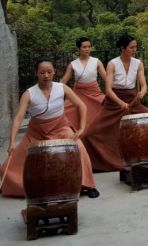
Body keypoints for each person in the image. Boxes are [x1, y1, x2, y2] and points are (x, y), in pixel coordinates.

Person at [1, 60, 99, 198]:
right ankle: (13, 185)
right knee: (10, 166)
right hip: (36, 132)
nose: (46, 75)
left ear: (54, 72)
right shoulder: (29, 94)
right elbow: (18, 118)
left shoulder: (62, 88)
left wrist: (81, 128)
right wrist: (12, 142)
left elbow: (81, 105)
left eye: (49, 72)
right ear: (36, 73)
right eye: (42, 72)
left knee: (79, 148)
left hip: (61, 128)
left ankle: (89, 185)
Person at [81, 34, 148, 171]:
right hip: (113, 103)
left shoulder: (138, 63)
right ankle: (95, 162)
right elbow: (108, 90)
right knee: (90, 133)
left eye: (135, 47)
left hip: (132, 101)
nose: (134, 49)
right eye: (132, 47)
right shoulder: (112, 64)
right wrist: (120, 103)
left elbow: (143, 85)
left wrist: (141, 93)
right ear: (123, 48)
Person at [60, 37, 108, 132]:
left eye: (89, 46)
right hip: (78, 94)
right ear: (79, 49)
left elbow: (107, 79)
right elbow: (63, 82)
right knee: (64, 112)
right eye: (84, 47)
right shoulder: (73, 64)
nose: (87, 49)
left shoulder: (96, 61)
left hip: (95, 93)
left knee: (108, 107)